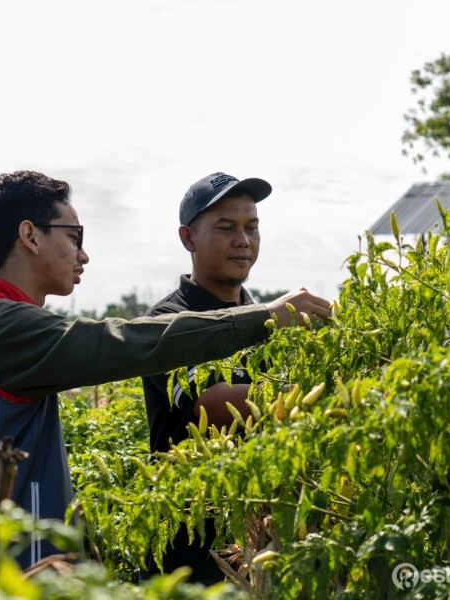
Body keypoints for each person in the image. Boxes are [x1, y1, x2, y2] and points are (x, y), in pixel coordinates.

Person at [0, 170, 331, 570]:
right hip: (7, 570)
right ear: (31, 236)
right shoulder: (2, 326)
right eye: (74, 237)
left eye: (251, 227)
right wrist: (264, 318)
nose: (83, 254)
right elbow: (120, 342)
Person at [140, 171, 331, 583]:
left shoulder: (272, 320)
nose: (243, 241)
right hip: (193, 559)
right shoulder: (166, 322)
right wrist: (331, 390)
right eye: (226, 228)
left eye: (252, 227)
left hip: (266, 546)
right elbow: (217, 405)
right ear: (188, 238)